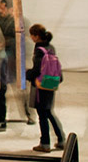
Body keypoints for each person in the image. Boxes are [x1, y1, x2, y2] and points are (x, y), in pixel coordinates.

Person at [0, 0, 34, 129]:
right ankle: (0, 115)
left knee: (22, 88)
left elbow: (26, 40)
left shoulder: (20, 21)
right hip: (7, 57)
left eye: (3, 8)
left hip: (17, 58)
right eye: (0, 8)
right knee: (3, 88)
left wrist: (6, 43)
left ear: (11, 9)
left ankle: (30, 114)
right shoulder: (2, 18)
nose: (1, 11)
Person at [26, 23, 65, 152]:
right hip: (51, 82)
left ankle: (45, 143)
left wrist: (26, 74)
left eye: (32, 35)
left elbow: (37, 70)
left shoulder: (39, 50)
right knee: (48, 112)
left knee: (42, 114)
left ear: (36, 36)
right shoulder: (50, 47)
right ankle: (61, 139)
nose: (31, 37)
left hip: (41, 86)